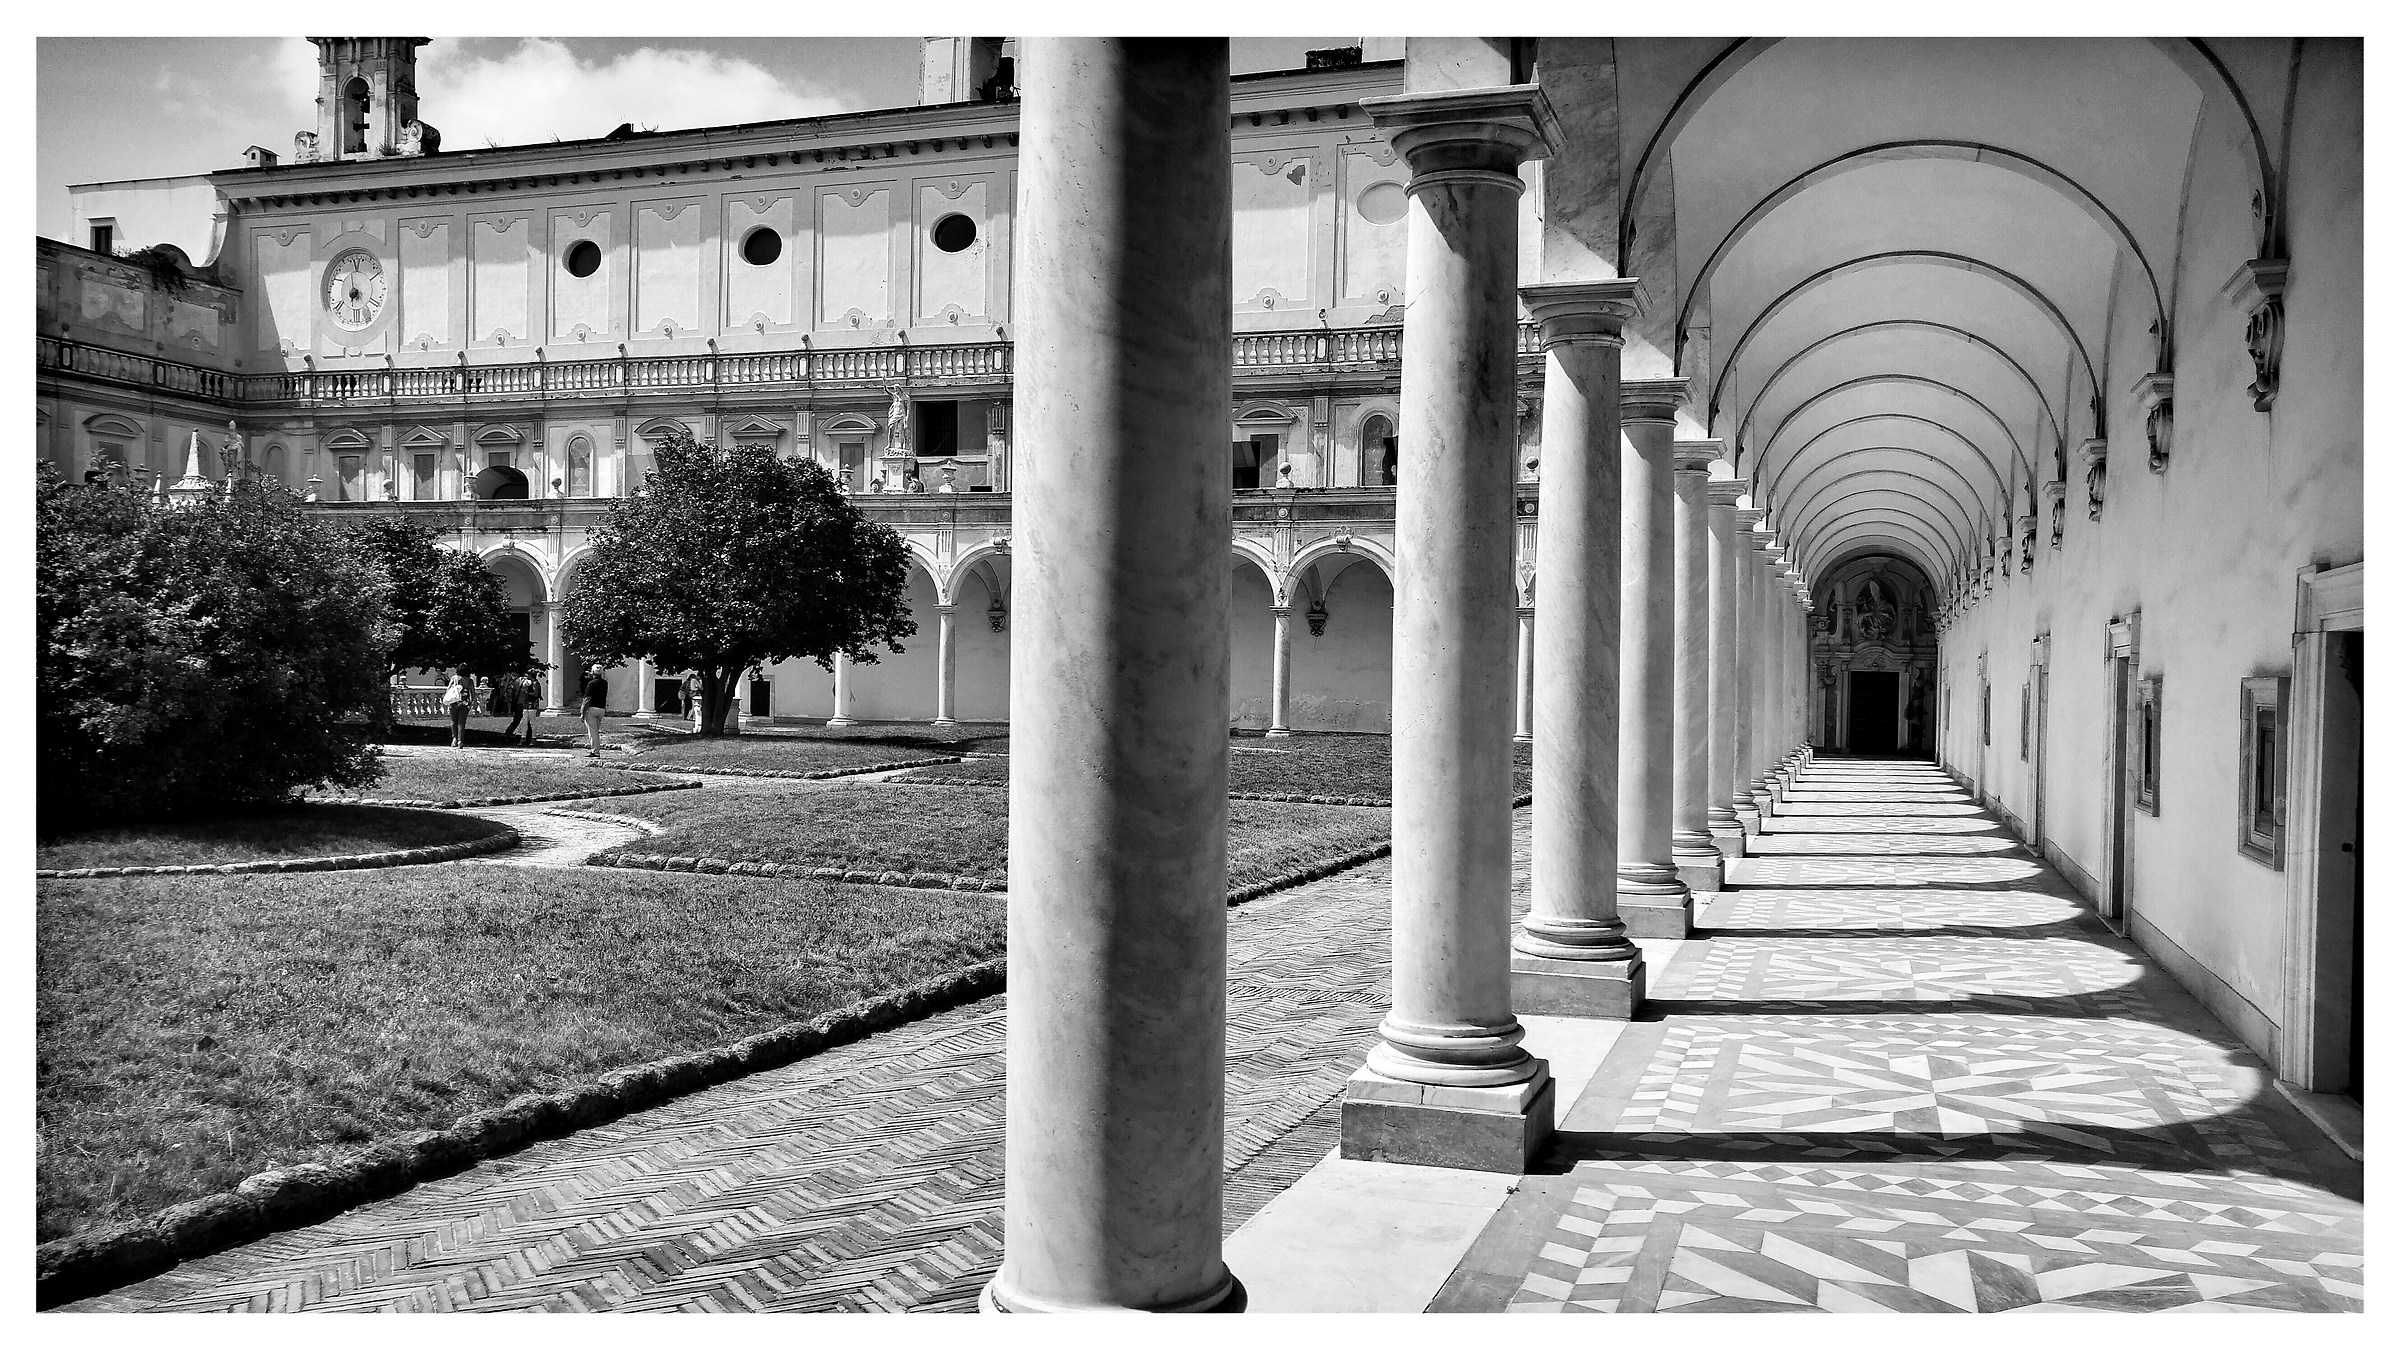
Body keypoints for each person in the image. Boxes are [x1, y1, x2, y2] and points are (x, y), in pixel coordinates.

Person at [579, 664, 609, 758]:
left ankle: (595, 751)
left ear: (592, 672)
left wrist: (583, 712)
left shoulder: (591, 683)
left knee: (592, 731)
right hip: (601, 709)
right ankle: (596, 749)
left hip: (592, 709)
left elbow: (587, 699)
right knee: (596, 730)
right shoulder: (604, 683)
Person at [441, 670, 471, 748]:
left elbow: (448, 689)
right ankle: (460, 741)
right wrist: (471, 702)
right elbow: (472, 692)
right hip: (465, 702)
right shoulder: (469, 680)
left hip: (454, 701)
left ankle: (454, 738)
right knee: (462, 722)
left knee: (453, 721)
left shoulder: (454, 678)